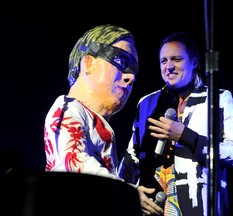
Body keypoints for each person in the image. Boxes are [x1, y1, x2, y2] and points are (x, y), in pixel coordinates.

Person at [118, 31, 233, 216]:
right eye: (163, 61)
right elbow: (131, 157)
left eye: (176, 59)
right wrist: (129, 192)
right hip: (152, 208)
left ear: (194, 62)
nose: (169, 66)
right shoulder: (147, 103)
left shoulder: (216, 98)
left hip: (198, 207)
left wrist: (187, 137)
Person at [43, 24, 163, 215]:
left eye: (134, 70)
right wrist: (127, 193)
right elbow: (74, 163)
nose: (131, 77)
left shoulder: (102, 127)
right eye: (122, 62)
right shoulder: (67, 108)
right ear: (88, 63)